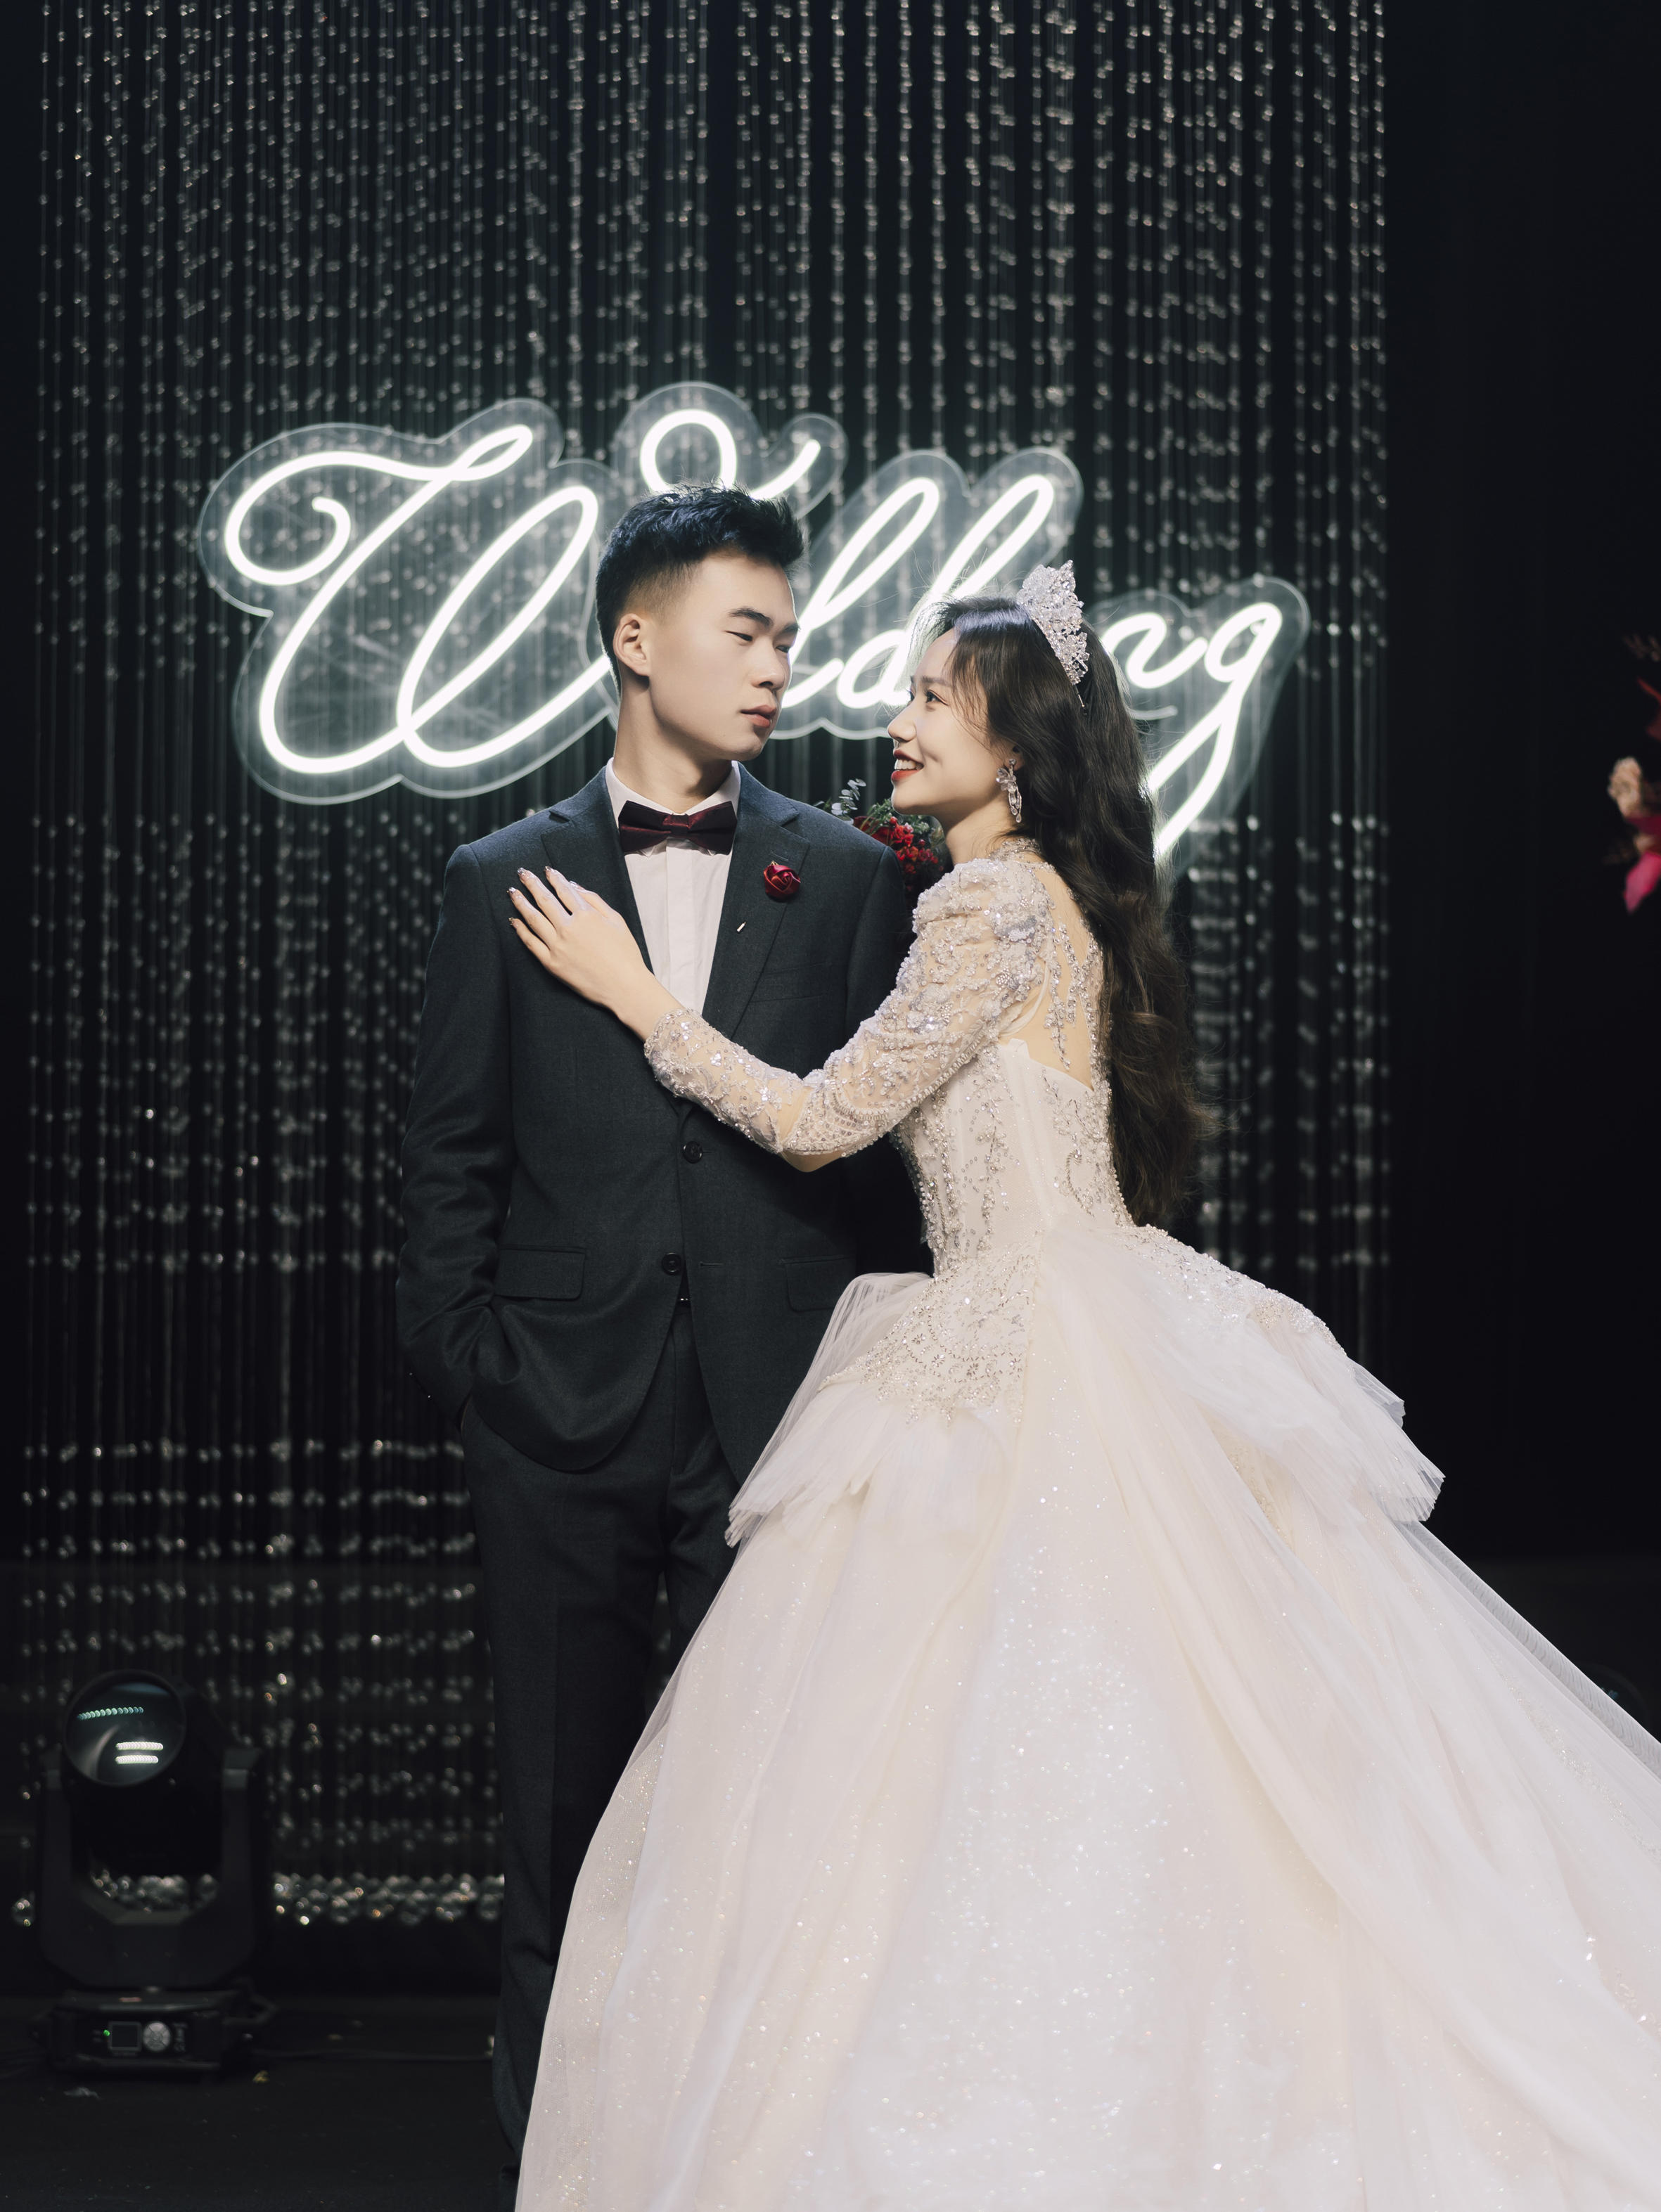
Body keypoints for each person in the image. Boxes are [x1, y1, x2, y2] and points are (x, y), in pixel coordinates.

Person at [504, 561, 1661, 2209]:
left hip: (1026, 1338)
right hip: (1067, 1315)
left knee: (1013, 1742)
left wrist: (636, 997)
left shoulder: (986, 909)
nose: (894, 720)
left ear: (1017, 750)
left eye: (931, 699)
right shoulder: (1041, 896)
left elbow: (822, 1121)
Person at [396, 486, 923, 2210]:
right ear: (636, 638)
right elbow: (451, 1156)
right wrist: (475, 1367)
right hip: (553, 1410)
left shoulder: (844, 873)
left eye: (788, 635)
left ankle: (739, 2162)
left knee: (770, 1819)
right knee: (559, 1821)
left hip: (778, 1422)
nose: (779, 666)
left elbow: (875, 1165)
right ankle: (549, 2160)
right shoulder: (500, 877)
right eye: (745, 630)